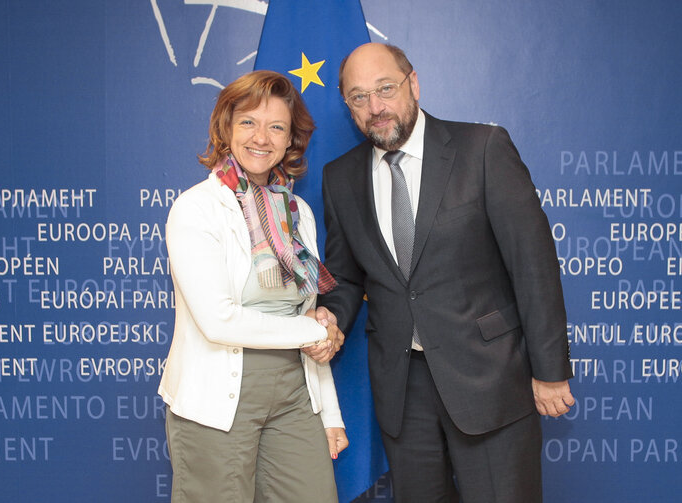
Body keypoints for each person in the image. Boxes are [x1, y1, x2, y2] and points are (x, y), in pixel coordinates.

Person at [317, 43, 575, 502]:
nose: (375, 108)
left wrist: (550, 370)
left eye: (385, 89)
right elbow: (345, 277)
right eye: (359, 97)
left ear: (413, 84)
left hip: (491, 379)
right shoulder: (339, 178)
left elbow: (532, 262)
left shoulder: (482, 149)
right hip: (402, 391)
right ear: (347, 106)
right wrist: (331, 318)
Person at [158, 70, 347, 503]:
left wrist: (330, 413)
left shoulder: (297, 212)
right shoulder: (196, 209)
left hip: (295, 397)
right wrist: (314, 331)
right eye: (248, 122)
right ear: (226, 128)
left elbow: (307, 315)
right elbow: (218, 320)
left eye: (276, 126)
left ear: (290, 140)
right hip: (216, 402)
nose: (261, 137)